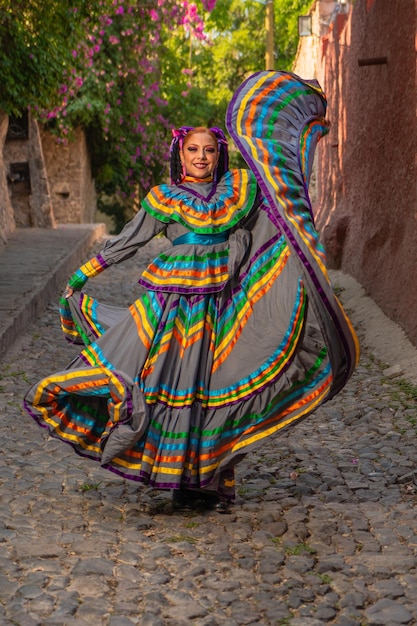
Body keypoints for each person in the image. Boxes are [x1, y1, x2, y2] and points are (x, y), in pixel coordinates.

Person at [24, 70, 359, 514]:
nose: (201, 157)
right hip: (170, 309)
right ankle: (178, 474)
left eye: (208, 150)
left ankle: (209, 477)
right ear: (180, 155)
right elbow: (126, 242)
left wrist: (297, 115)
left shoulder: (239, 190)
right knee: (169, 386)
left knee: (211, 388)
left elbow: (278, 201)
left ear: (218, 154)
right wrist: (81, 275)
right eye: (193, 150)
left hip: (224, 304)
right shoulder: (163, 198)